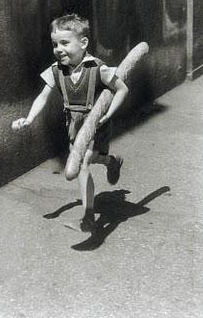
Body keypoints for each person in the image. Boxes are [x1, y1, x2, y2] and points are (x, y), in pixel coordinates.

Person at [12, 14, 129, 232]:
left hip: (96, 123)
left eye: (65, 43)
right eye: (55, 44)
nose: (58, 49)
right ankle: (110, 162)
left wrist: (108, 115)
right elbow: (43, 96)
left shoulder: (98, 69)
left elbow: (122, 89)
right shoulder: (56, 70)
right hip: (73, 125)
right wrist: (29, 118)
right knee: (92, 159)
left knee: (83, 164)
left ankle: (88, 218)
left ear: (83, 43)